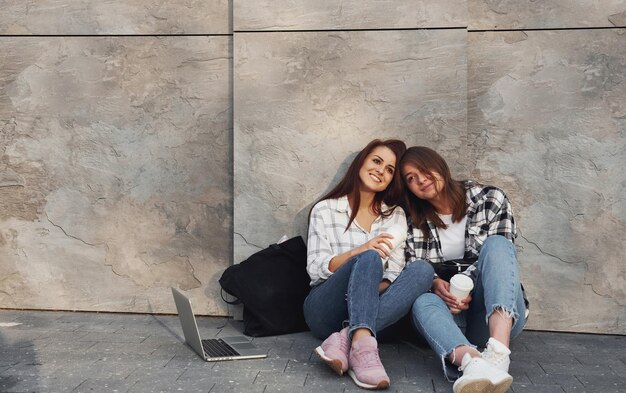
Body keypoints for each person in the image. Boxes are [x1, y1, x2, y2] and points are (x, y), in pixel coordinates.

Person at [303, 139, 434, 390]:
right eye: (376, 161)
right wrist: (360, 252)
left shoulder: (394, 215)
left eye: (389, 169)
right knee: (370, 257)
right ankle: (359, 344)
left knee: (423, 270)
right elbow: (316, 267)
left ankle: (350, 340)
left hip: (376, 313)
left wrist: (363, 294)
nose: (380, 171)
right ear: (361, 162)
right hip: (325, 308)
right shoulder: (326, 209)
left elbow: (395, 273)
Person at [400, 146, 528, 393]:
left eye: (424, 170)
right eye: (411, 178)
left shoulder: (490, 199)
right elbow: (411, 264)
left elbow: (501, 261)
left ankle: (499, 354)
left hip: (492, 316)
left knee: (498, 245)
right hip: (445, 320)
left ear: (440, 165)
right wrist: (435, 282)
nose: (421, 180)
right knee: (422, 300)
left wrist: (464, 283)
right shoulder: (411, 218)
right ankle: (473, 364)